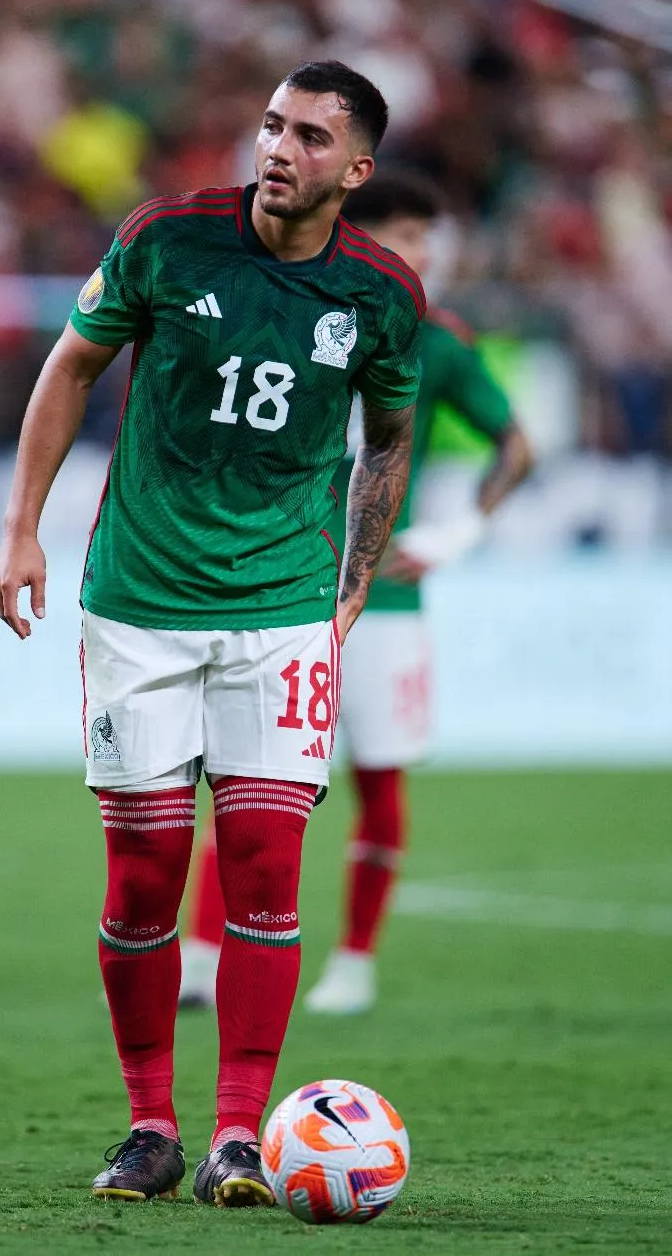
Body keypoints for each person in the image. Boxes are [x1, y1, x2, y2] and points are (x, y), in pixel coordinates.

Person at [0, 62, 425, 1207]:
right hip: (139, 602)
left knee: (266, 873)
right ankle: (149, 1125)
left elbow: (388, 436)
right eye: (274, 126)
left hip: (280, 613)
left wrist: (354, 573)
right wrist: (20, 529)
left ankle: (239, 1136)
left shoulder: (381, 294)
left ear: (356, 169)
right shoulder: (165, 239)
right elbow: (71, 365)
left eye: (313, 137)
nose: (281, 148)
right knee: (141, 875)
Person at [180, 170, 533, 1015]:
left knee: (376, 780)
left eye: (428, 240)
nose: (423, 254)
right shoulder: (281, 310)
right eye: (408, 236)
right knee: (243, 778)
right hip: (277, 589)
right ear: (358, 234)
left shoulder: (437, 340)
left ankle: (355, 962)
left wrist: (457, 533)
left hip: (382, 609)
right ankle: (199, 959)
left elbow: (516, 445)